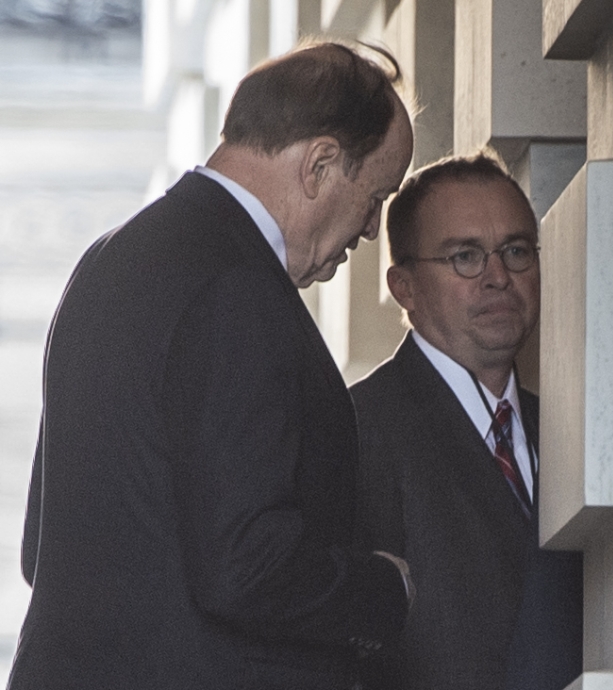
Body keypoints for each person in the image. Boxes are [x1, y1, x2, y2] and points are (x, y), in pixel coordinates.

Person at [8, 42, 415, 690]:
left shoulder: (107, 262)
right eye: (375, 197)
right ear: (320, 164)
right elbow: (245, 567)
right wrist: (384, 586)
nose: (370, 230)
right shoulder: (239, 290)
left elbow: (43, 549)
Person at [352, 153, 583, 690]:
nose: (499, 277)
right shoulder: (359, 430)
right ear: (404, 287)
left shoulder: (575, 431)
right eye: (465, 257)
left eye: (517, 251)